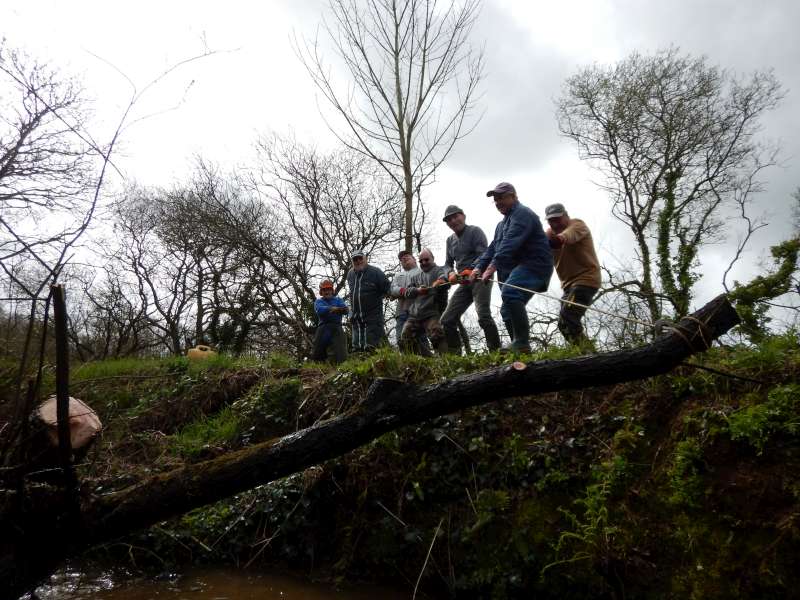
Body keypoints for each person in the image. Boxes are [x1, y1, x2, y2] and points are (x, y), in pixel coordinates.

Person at [471, 182, 553, 353]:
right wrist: (478, 267)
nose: (498, 202)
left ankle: (522, 343)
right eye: (495, 200)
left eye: (501, 198)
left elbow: (510, 244)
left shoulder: (523, 214)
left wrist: (492, 267)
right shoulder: (501, 225)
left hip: (535, 266)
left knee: (510, 292)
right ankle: (519, 348)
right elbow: (492, 249)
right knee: (506, 310)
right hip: (521, 268)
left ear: (514, 196)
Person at [440, 204, 501, 353]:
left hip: (480, 277)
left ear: (463, 216)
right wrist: (450, 274)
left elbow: (484, 254)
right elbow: (447, 264)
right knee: (446, 320)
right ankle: (455, 356)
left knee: (483, 316)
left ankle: (496, 353)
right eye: (449, 220)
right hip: (464, 282)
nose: (453, 221)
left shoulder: (475, 231)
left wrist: (472, 268)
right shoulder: (449, 240)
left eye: (455, 217)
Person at [544, 203, 601, 345]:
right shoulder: (549, 233)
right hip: (568, 287)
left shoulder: (577, 225)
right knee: (564, 325)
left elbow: (564, 238)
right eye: (551, 220)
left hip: (586, 280)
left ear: (566, 216)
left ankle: (588, 356)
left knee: (567, 317)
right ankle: (586, 354)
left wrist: (551, 240)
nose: (555, 224)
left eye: (558, 219)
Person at [399, 248, 449, 356]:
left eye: (426, 260)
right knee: (405, 338)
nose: (424, 263)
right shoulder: (416, 276)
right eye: (421, 261)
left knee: (436, 334)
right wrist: (417, 290)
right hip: (415, 315)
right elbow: (408, 292)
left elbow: (444, 279)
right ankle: (427, 359)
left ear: (432, 258)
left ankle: (445, 361)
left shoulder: (439, 270)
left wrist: (439, 282)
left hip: (432, 313)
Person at [347, 248, 390, 352]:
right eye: (355, 259)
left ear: (365, 258)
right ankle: (359, 367)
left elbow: (388, 288)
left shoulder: (375, 272)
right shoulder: (350, 274)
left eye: (360, 258)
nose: (358, 261)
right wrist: (351, 312)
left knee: (371, 347)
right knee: (357, 349)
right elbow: (352, 293)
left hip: (373, 318)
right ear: (352, 262)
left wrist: (387, 295)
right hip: (356, 319)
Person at [311, 279, 348, 364]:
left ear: (332, 290)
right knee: (317, 352)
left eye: (328, 289)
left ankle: (342, 367)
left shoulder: (338, 300)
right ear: (321, 292)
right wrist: (331, 308)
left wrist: (339, 309)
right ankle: (318, 368)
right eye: (324, 290)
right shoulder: (318, 301)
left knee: (341, 352)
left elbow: (345, 310)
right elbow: (320, 310)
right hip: (323, 329)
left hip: (337, 327)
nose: (327, 291)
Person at [390, 250, 421, 345]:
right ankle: (404, 358)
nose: (404, 258)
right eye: (401, 258)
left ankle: (425, 358)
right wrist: (402, 291)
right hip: (401, 312)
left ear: (414, 260)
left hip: (418, 310)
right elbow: (392, 289)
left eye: (407, 256)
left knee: (420, 339)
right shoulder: (398, 275)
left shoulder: (422, 271)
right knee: (401, 339)